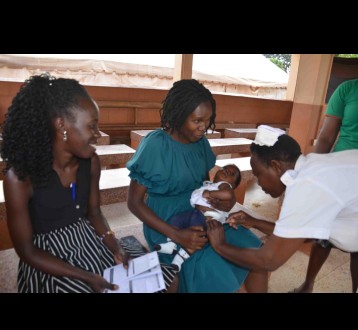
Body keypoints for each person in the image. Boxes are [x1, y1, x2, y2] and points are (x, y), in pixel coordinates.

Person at [126, 79, 268, 293]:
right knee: (209, 265)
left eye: (208, 120)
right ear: (179, 115)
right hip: (166, 222)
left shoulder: (200, 143)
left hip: (199, 213)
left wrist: (222, 204)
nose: (204, 127)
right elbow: (134, 203)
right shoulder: (155, 145)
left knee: (252, 249)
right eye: (197, 120)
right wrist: (176, 234)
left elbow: (204, 187)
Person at [0, 73, 127, 293]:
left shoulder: (91, 162)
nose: (97, 134)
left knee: (148, 275)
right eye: (92, 126)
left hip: (86, 240)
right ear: (62, 125)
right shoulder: (19, 178)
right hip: (47, 258)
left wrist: (114, 244)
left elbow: (94, 213)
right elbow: (26, 251)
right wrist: (85, 276)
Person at [206, 125, 358, 292]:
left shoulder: (307, 186)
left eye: (258, 175)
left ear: (276, 166)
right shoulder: (310, 167)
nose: (258, 182)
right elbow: (301, 235)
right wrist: (254, 222)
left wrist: (220, 246)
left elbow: (269, 260)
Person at [292, 79, 358, 293]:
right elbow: (326, 137)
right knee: (323, 233)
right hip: (339, 175)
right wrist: (312, 175)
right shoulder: (348, 89)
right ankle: (308, 284)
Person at [155, 164, 241, 271]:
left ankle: (180, 259)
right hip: (195, 213)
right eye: (224, 169)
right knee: (175, 220)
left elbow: (228, 194)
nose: (226, 171)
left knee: (197, 235)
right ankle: (171, 244)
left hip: (207, 218)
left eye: (231, 173)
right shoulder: (209, 184)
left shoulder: (224, 185)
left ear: (233, 185)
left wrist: (210, 193)